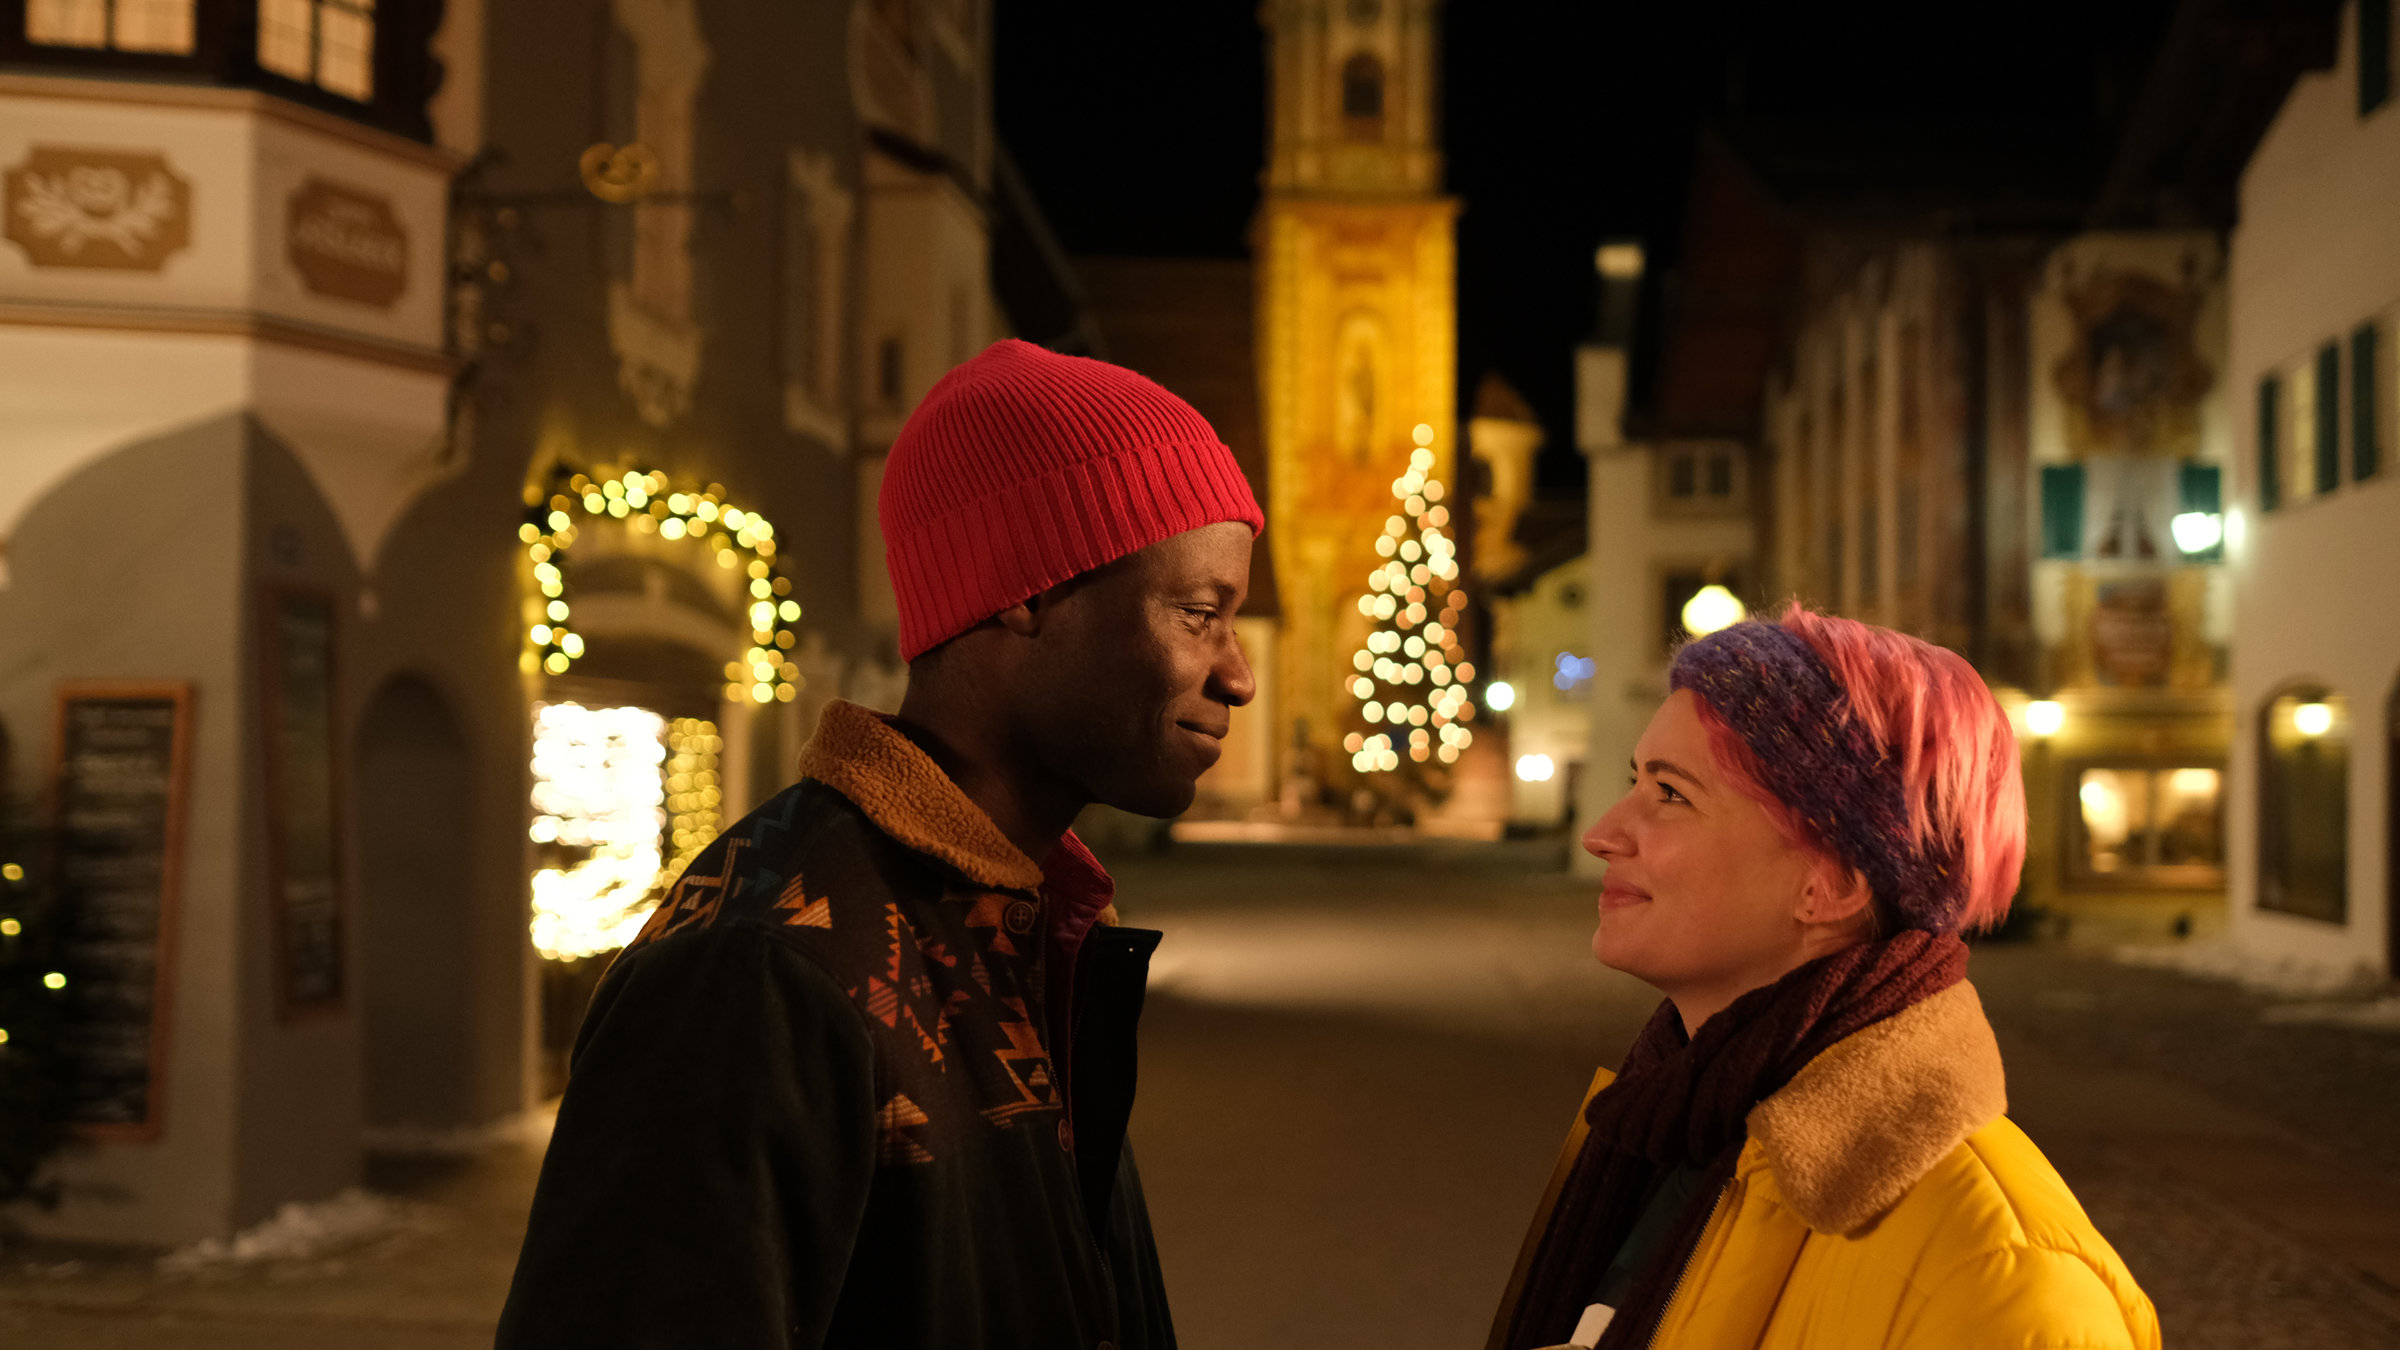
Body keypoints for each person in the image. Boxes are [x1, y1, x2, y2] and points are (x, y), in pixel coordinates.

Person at [497, 339, 1262, 1349]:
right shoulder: (760, 973)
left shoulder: (1019, 921)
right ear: (1024, 592)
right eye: (1199, 613)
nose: (1239, 675)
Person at [1485, 605, 2159, 1350]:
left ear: (1831, 885)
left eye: (1671, 795)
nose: (1603, 832)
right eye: (1635, 781)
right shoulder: (1675, 1132)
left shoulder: (2006, 1282)